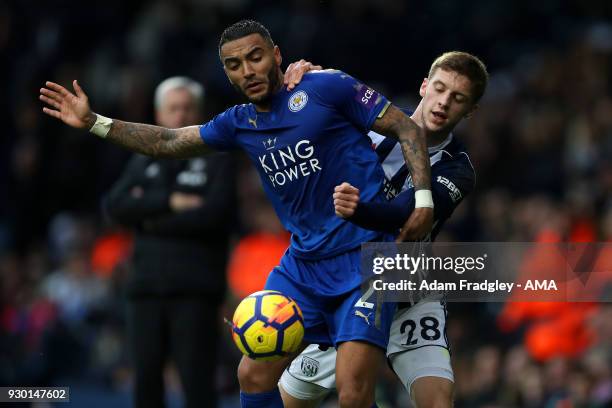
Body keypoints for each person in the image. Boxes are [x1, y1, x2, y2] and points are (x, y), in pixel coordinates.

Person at [39, 20, 434, 408]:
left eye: (256, 57)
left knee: (353, 391)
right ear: (227, 73)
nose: (248, 71)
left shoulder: (327, 87)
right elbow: (169, 140)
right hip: (305, 265)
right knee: (252, 375)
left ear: (276, 55)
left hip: (368, 256)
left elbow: (407, 129)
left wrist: (423, 202)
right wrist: (95, 122)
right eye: (234, 65)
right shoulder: (239, 123)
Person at [278, 51, 488, 408]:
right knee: (288, 400)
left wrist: (356, 210)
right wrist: (307, 81)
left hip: (407, 296)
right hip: (349, 292)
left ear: (469, 111)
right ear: (424, 86)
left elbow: (406, 215)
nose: (443, 103)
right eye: (439, 89)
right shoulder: (373, 121)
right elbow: (313, 111)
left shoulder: (459, 169)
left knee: (437, 402)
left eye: (458, 99)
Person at [103, 77, 235, 408]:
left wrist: (147, 215)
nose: (180, 115)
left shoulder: (218, 157)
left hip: (196, 291)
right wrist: (174, 202)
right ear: (159, 114)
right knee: (145, 383)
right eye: (173, 108)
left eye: (187, 108)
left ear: (200, 113)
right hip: (145, 289)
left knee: (197, 385)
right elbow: (114, 207)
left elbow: (215, 215)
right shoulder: (142, 159)